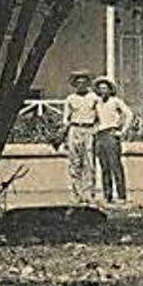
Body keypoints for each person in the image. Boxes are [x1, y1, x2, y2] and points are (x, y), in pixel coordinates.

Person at [59, 71, 101, 204]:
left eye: (84, 82)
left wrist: (96, 129)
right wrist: (64, 133)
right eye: (78, 82)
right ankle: (76, 194)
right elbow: (66, 118)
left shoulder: (94, 98)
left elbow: (100, 116)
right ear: (74, 84)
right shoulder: (70, 99)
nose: (81, 84)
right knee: (74, 163)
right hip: (74, 129)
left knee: (89, 163)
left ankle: (89, 194)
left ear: (88, 83)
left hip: (89, 130)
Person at [92, 77, 134, 206]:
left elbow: (129, 115)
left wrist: (122, 131)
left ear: (110, 90)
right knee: (104, 167)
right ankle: (107, 195)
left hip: (111, 134)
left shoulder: (115, 101)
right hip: (100, 135)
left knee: (115, 165)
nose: (103, 90)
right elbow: (93, 118)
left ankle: (121, 195)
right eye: (101, 88)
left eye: (105, 88)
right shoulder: (97, 102)